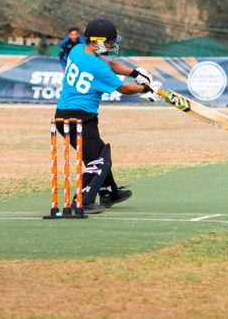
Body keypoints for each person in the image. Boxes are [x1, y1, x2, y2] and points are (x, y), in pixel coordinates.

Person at [56, 18, 160, 213]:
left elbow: (110, 64)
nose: (112, 45)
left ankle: (109, 193)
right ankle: (80, 201)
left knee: (99, 152)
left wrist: (135, 73)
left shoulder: (77, 50)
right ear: (96, 42)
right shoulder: (97, 68)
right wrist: (145, 88)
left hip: (65, 115)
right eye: (110, 42)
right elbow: (123, 88)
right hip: (79, 118)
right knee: (98, 160)